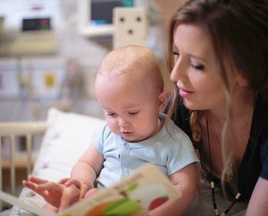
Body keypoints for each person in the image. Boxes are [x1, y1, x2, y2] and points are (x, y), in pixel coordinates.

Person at [23, 45, 199, 215]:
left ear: (160, 102)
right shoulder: (107, 134)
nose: (122, 123)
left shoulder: (173, 141)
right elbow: (86, 164)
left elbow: (185, 188)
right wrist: (82, 183)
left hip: (144, 209)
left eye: (132, 112)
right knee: (57, 204)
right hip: (100, 204)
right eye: (111, 113)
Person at [164, 0, 268, 215]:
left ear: (245, 71)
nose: (174, 75)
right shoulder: (181, 109)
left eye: (196, 65)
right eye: (176, 53)